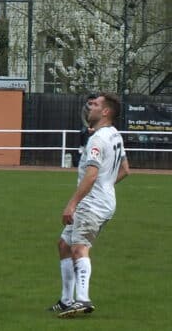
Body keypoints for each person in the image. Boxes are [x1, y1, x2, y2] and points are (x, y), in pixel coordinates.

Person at [49, 91, 129, 318]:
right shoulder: (114, 134)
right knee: (64, 245)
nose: (89, 106)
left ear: (105, 111)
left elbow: (92, 176)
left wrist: (72, 204)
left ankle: (82, 300)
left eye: (94, 104)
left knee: (79, 247)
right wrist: (106, 187)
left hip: (92, 205)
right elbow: (125, 169)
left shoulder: (98, 139)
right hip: (103, 201)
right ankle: (66, 301)